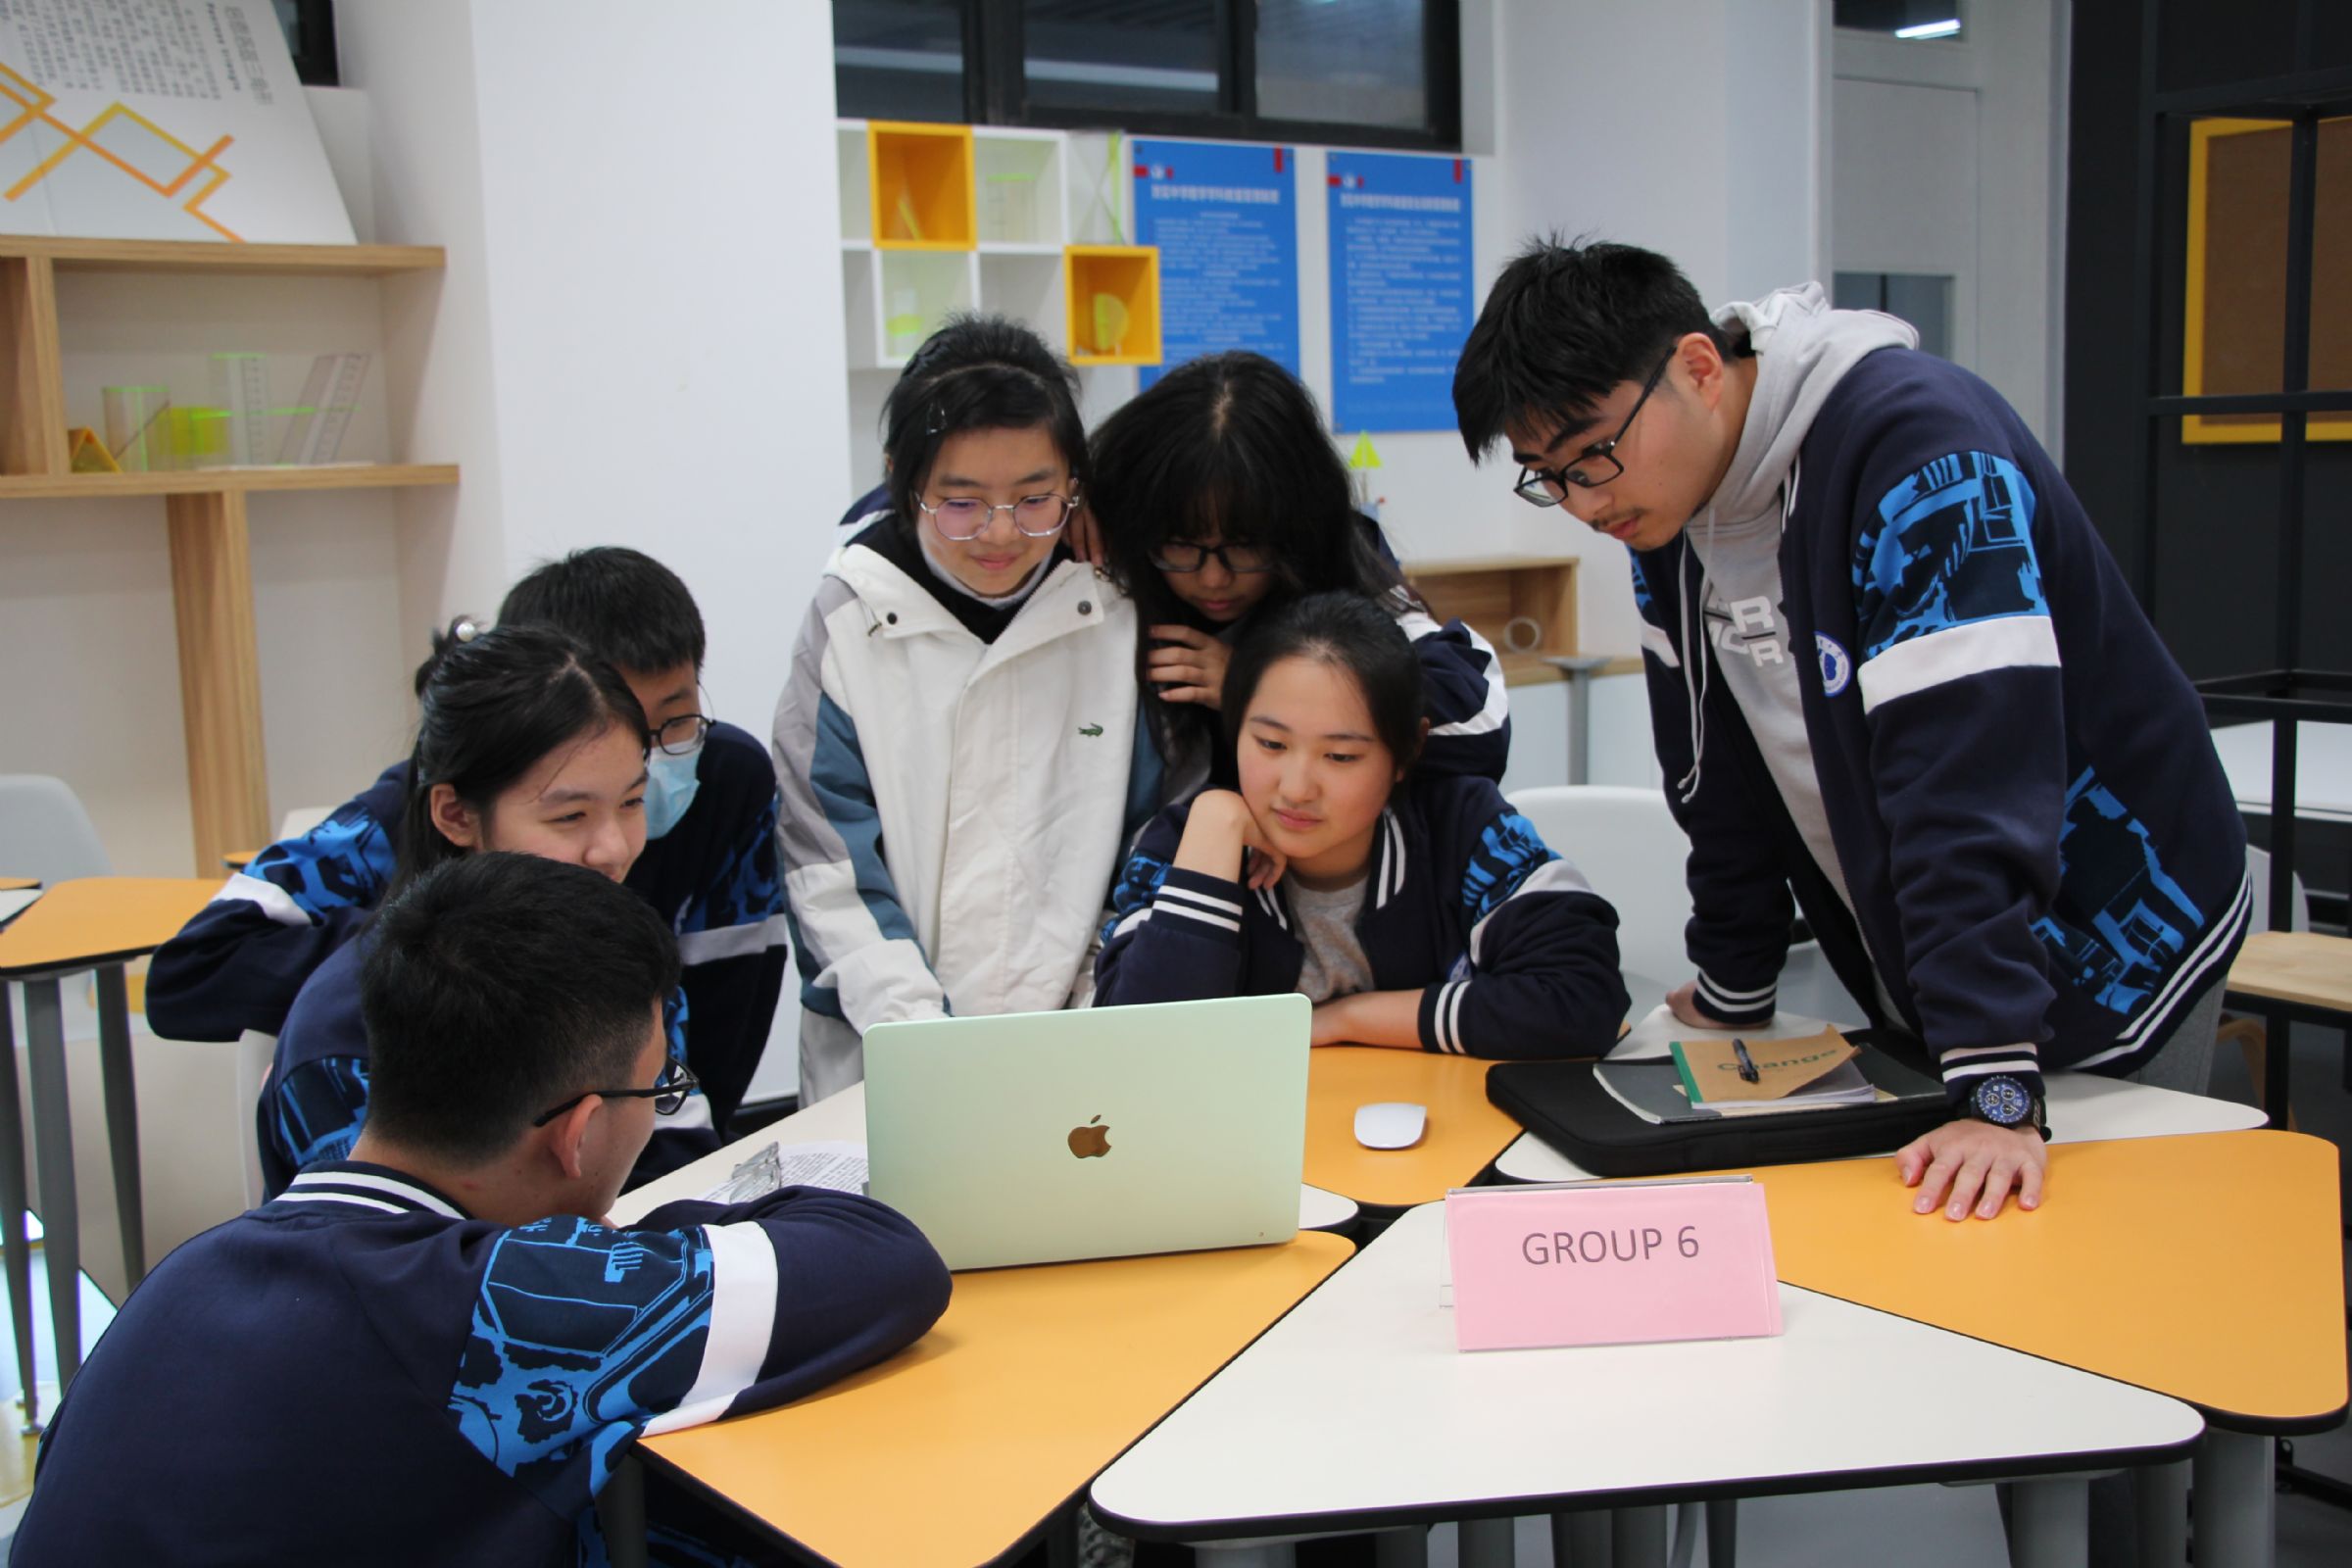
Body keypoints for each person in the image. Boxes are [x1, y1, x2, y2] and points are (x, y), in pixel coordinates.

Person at [1452, 239, 2249, 1219]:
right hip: (1949, 956)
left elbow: (1969, 788)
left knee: (2107, 1234)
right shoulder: (1665, 513)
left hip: (2117, 925)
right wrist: (1734, 983)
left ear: (1698, 368)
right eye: (1548, 476)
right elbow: (1717, 777)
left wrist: (1995, 1085)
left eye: (1593, 456)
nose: (1584, 501)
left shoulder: (1919, 452)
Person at [13, 852, 950, 1566]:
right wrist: (631, 1247)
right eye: (659, 1089)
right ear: (578, 1134)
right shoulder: (502, 1305)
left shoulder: (183, 1274)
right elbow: (886, 1260)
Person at [146, 546, 787, 1134]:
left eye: (673, 722)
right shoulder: (404, 829)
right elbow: (191, 975)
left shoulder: (726, 787)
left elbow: (711, 1057)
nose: (613, 846)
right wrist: (456, 951)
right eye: (569, 813)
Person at [776, 315, 1143, 1102]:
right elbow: (828, 870)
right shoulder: (850, 618)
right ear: (901, 478)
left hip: (1082, 1057)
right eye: (961, 502)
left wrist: (1094, 1012)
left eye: (1036, 498)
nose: (1001, 534)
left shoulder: (1114, 610)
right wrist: (930, 1048)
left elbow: (1150, 842)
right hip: (890, 1064)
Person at [262, 622, 715, 1195]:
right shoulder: (347, 1034)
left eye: (631, 802)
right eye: (570, 817)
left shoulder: (624, 968)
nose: (614, 849)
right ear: (456, 815)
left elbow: (690, 1166)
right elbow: (388, 1238)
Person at [1096, 592, 1626, 1056]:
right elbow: (1136, 1049)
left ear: (1407, 752)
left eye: (1341, 756)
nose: (1296, 788)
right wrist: (1215, 823)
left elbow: (1584, 998)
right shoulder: (1191, 843)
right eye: (1271, 744)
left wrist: (1345, 1019)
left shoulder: (1463, 829)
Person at [1089, 350, 1510, 797]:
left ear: (1298, 529)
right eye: (1180, 544)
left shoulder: (1350, 581)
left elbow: (1480, 730)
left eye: (1245, 545)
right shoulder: (1112, 565)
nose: (1213, 579)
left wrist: (1258, 688)